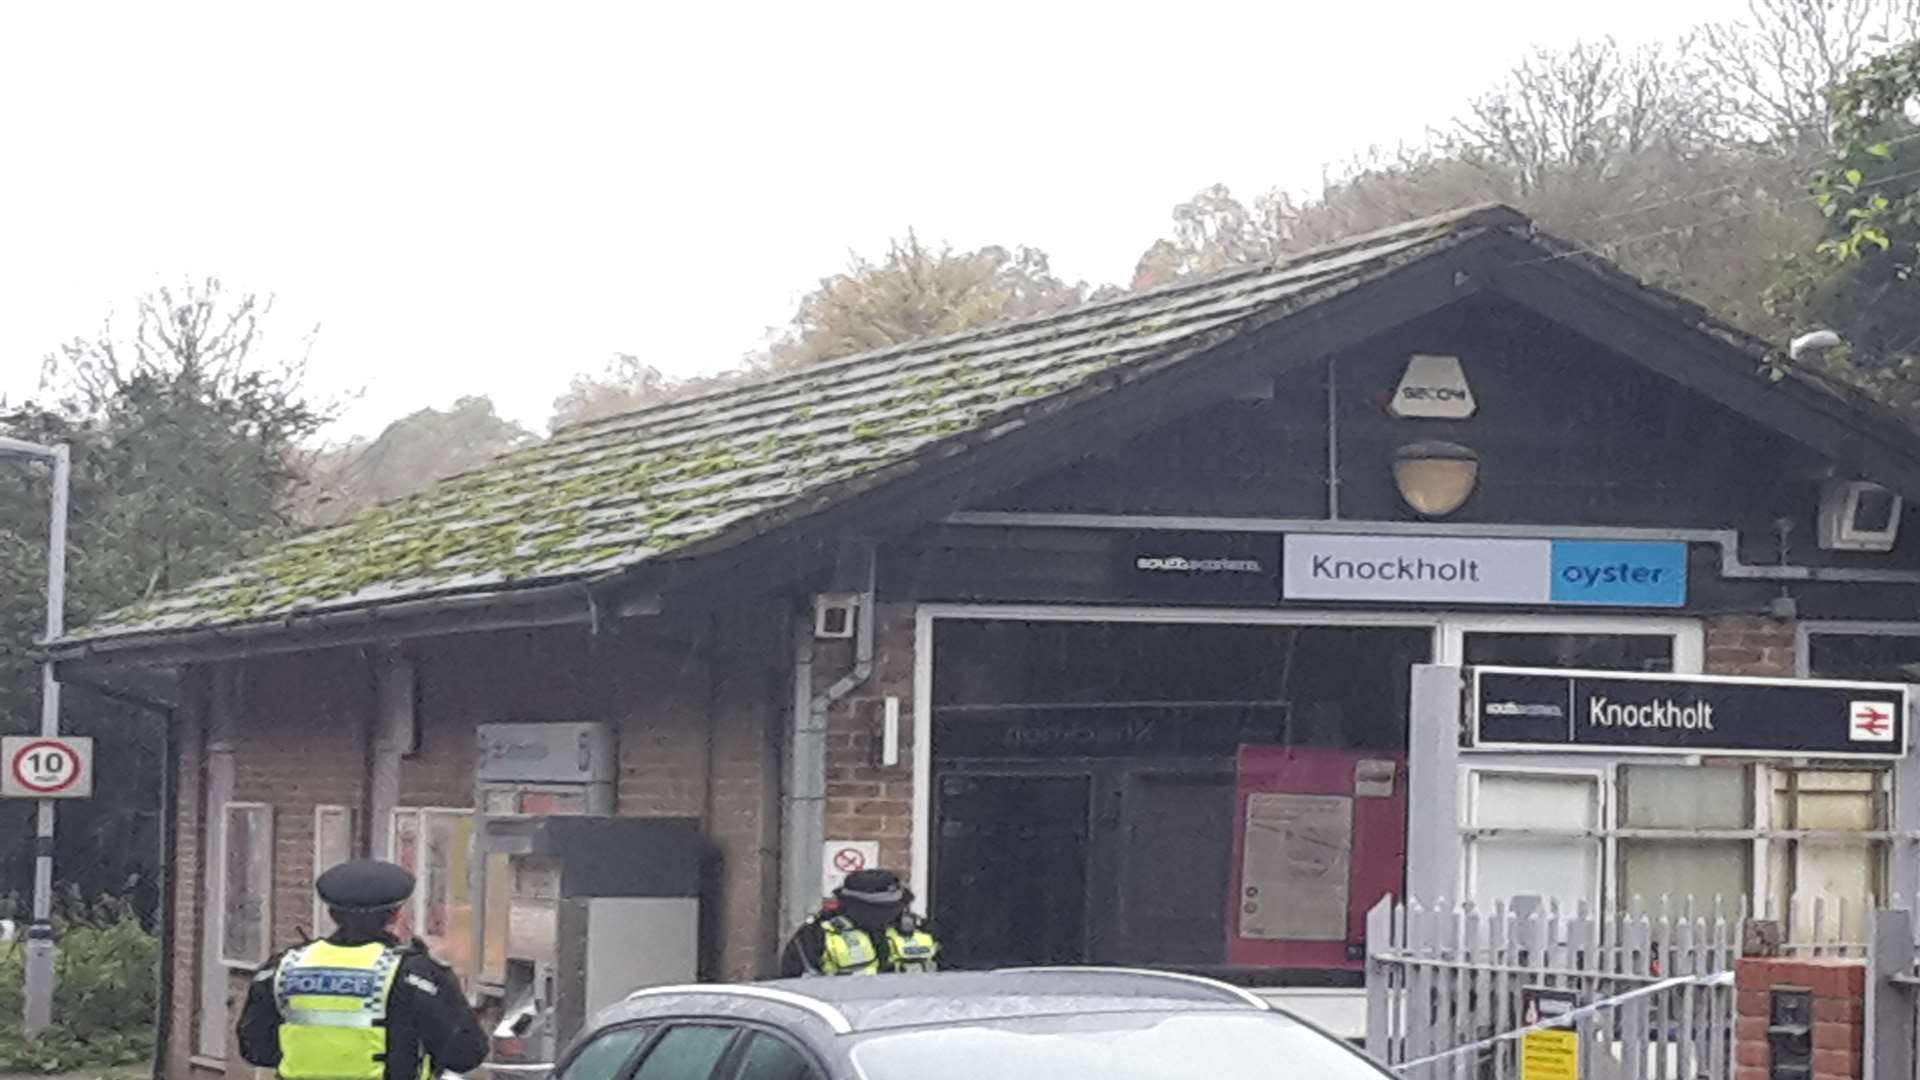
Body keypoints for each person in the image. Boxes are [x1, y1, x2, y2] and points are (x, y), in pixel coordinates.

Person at [238, 859, 489, 1080]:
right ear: (395, 915)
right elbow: (464, 1054)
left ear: (331, 913)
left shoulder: (284, 967)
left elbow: (257, 1050)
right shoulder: (413, 973)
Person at [779, 868, 940, 976]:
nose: (884, 916)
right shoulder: (816, 935)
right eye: (877, 909)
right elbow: (793, 984)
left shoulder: (923, 931)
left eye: (891, 908)